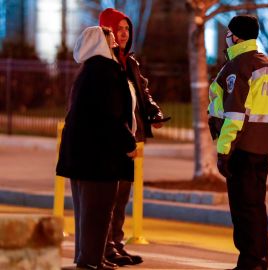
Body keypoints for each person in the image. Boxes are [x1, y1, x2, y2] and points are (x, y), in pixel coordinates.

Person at [56, 26, 136, 270]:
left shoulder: (88, 71)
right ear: (100, 42)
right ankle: (92, 260)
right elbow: (109, 114)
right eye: (108, 36)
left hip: (80, 154)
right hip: (99, 156)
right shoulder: (106, 71)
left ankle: (87, 256)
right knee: (98, 210)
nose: (114, 40)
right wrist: (128, 142)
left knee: (85, 211)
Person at [207, 15, 268, 270]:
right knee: (256, 209)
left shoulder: (238, 66)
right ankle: (258, 261)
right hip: (262, 149)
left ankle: (250, 263)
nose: (227, 37)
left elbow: (235, 115)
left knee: (243, 210)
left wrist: (223, 150)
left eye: (229, 33)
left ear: (236, 36)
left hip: (242, 148)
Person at [98, 8, 169, 266]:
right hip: (113, 142)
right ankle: (103, 247)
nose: (124, 33)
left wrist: (154, 114)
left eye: (127, 28)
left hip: (132, 139)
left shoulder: (131, 63)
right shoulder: (103, 64)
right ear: (107, 31)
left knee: (122, 198)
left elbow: (143, 94)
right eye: (119, 29)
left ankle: (116, 243)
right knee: (108, 197)